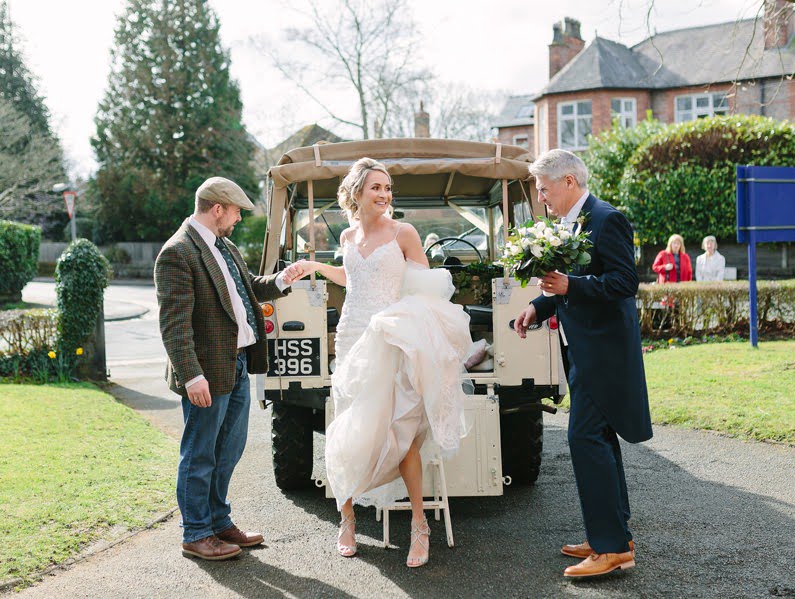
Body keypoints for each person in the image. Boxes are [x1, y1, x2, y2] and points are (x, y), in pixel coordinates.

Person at [291, 158, 470, 568]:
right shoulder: (350, 237)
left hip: (391, 339)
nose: (385, 194)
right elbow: (351, 279)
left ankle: (420, 526)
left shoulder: (404, 233)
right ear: (357, 192)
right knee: (350, 428)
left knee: (401, 429)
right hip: (352, 335)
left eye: (388, 188)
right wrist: (316, 267)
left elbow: (425, 289)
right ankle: (348, 519)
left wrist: (402, 323)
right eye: (377, 187)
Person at [513, 149, 652, 579]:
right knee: (600, 438)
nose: (541, 197)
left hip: (603, 353)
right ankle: (614, 537)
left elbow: (625, 282)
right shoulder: (567, 225)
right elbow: (566, 287)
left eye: (544, 188)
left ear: (568, 182)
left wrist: (571, 283)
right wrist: (538, 305)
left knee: (584, 437)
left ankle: (610, 548)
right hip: (580, 350)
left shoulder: (607, 218)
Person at [154, 177, 305, 561]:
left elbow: (249, 287)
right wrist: (191, 375)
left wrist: (283, 279)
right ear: (217, 208)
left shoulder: (224, 245)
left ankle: (219, 522)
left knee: (228, 450)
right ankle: (196, 533)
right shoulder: (177, 252)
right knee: (199, 453)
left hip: (236, 364)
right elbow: (174, 325)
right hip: (205, 373)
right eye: (236, 211)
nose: (238, 218)